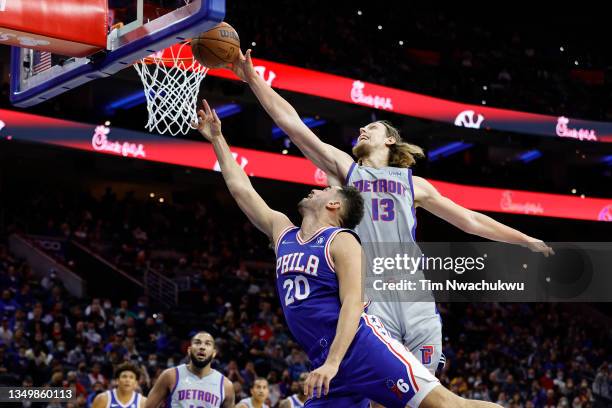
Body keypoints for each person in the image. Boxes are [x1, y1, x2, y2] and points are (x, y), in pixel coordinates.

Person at [228, 49, 554, 375]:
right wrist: (254, 79)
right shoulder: (347, 170)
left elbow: (470, 220)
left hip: (414, 297)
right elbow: (293, 125)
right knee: (381, 391)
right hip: (370, 295)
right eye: (361, 130)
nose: (363, 131)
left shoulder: (416, 185)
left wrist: (524, 238)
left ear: (391, 140)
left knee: (427, 391)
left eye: (373, 128)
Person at [194, 99, 502, 407]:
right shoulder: (282, 231)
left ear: (334, 205)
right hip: (328, 358)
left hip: (361, 348)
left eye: (324, 189)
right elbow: (241, 189)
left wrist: (334, 362)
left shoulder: (342, 241)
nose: (315, 188)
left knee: (449, 405)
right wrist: (218, 139)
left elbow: (354, 303)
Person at [144, 331, 234, 408]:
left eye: (207, 344)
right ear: (189, 350)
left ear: (214, 353)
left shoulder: (226, 386)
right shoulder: (170, 376)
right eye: (197, 343)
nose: (202, 347)